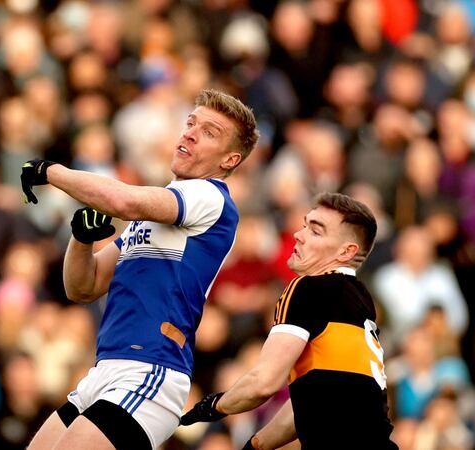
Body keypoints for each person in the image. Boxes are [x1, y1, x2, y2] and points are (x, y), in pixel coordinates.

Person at [21, 88, 260, 450]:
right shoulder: (161, 209)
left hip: (150, 370)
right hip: (104, 371)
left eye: (209, 132)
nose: (190, 133)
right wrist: (81, 240)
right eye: (191, 123)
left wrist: (50, 170)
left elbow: (122, 200)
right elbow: (83, 288)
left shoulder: (209, 196)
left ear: (230, 159)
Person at [180, 193, 398, 450]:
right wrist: (256, 444)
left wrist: (212, 407)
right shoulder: (360, 300)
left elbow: (263, 382)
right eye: (305, 224)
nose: (299, 234)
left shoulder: (307, 287)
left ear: (346, 251)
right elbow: (312, 402)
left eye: (316, 231)